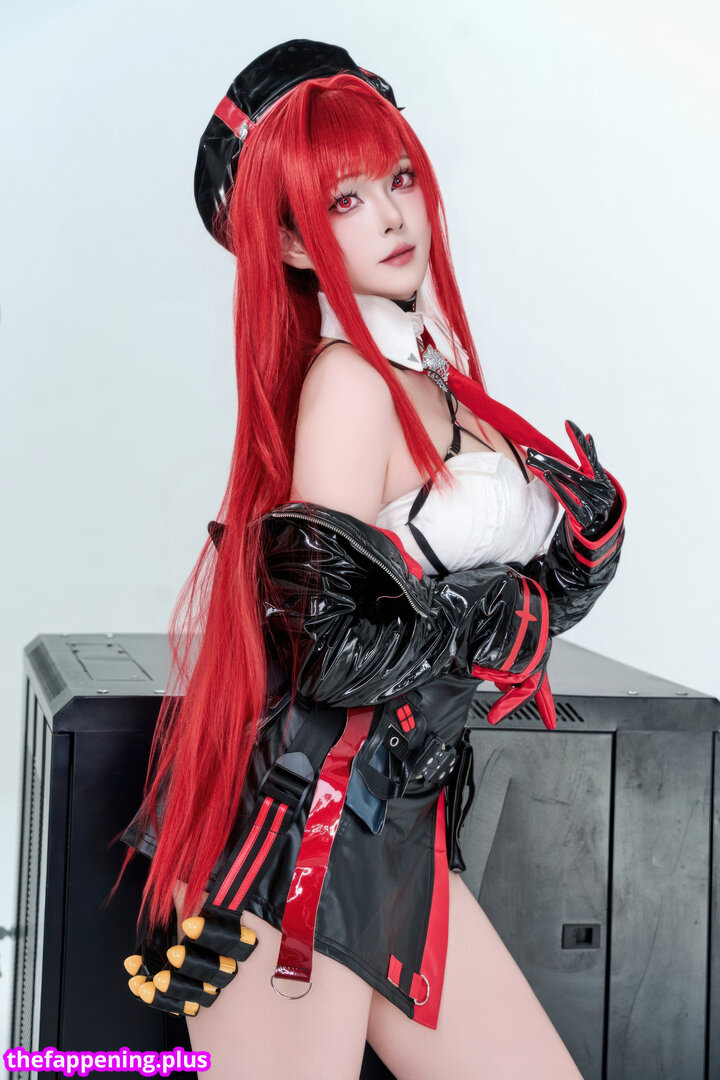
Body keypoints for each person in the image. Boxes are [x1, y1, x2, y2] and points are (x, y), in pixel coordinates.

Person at [109, 39, 626, 1079]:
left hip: (397, 832)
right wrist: (501, 608)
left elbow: (482, 607)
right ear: (292, 243)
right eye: (344, 200)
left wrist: (570, 560)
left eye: (397, 178)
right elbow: (330, 649)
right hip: (295, 848)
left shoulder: (436, 377)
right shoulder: (349, 383)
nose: (393, 216)